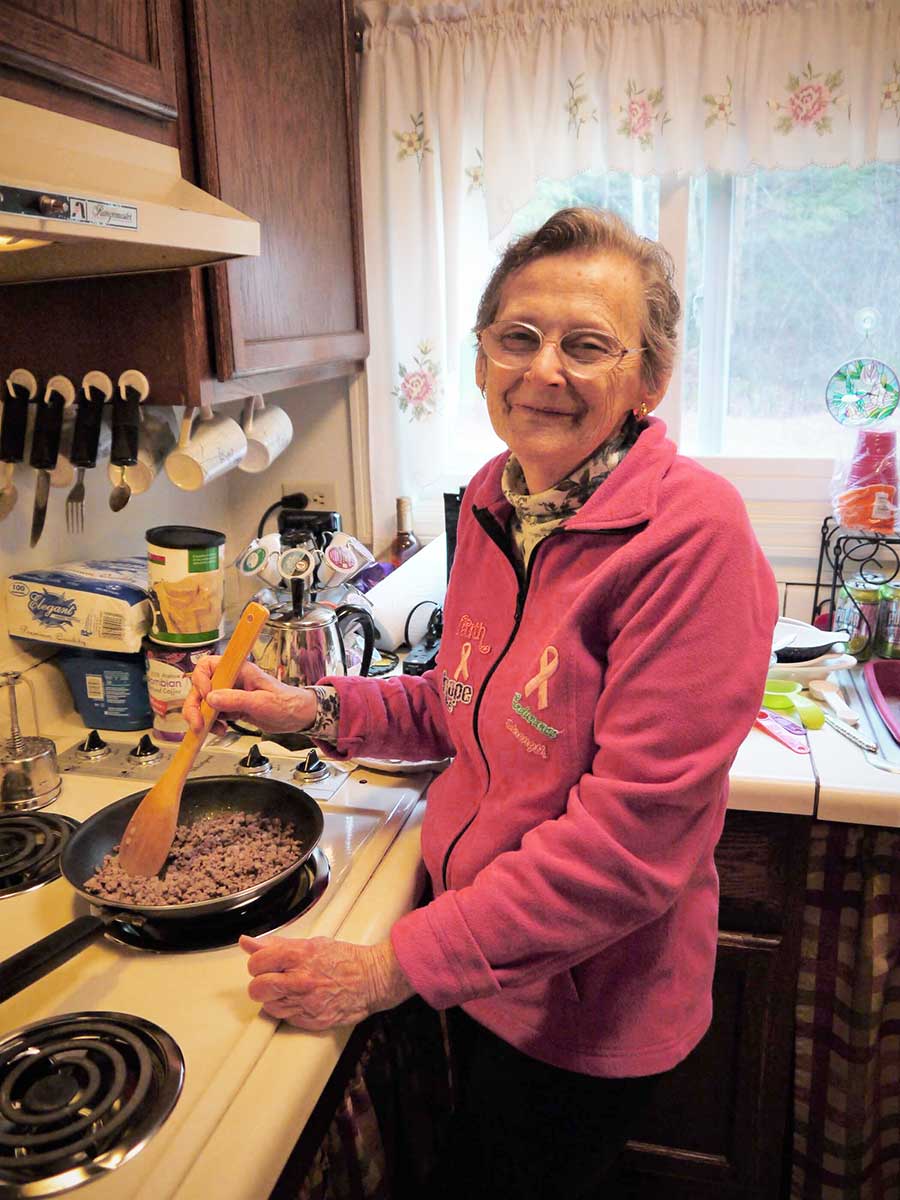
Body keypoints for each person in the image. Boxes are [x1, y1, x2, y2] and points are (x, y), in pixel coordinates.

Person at [184, 207, 778, 1198]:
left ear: (649, 380)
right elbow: (459, 704)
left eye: (588, 345)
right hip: (477, 964)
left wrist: (391, 969)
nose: (544, 369)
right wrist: (314, 709)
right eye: (519, 336)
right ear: (479, 359)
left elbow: (626, 850)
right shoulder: (500, 501)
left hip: (581, 1010)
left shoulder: (695, 541)